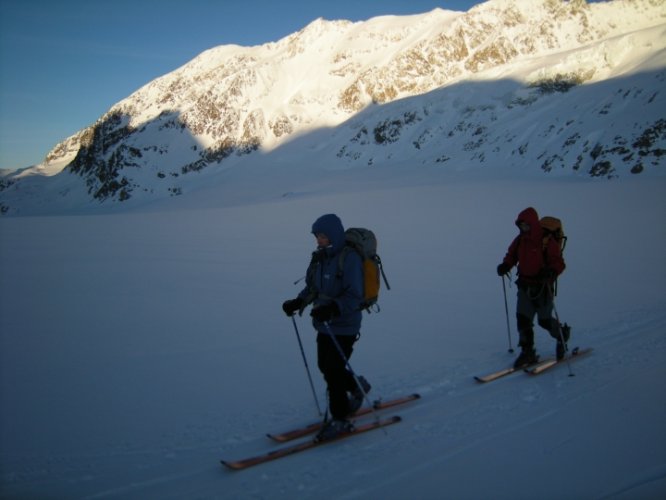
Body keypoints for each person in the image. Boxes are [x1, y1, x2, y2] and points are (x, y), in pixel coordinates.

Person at [282, 213, 371, 440]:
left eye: (322, 236)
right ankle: (356, 386)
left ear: (333, 235)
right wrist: (298, 302)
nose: (318, 240)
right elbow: (312, 288)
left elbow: (355, 296)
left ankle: (340, 419)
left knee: (332, 372)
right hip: (324, 324)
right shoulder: (319, 258)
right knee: (326, 366)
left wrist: (333, 308)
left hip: (345, 325)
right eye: (317, 236)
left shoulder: (349, 259)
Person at [496, 207, 570, 368]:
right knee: (523, 319)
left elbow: (559, 263)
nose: (523, 228)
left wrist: (550, 272)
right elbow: (511, 255)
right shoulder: (520, 240)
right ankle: (527, 352)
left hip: (543, 288)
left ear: (533, 224)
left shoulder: (546, 241)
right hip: (524, 286)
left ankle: (562, 335)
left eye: (525, 225)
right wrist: (505, 265)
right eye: (521, 225)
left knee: (544, 321)